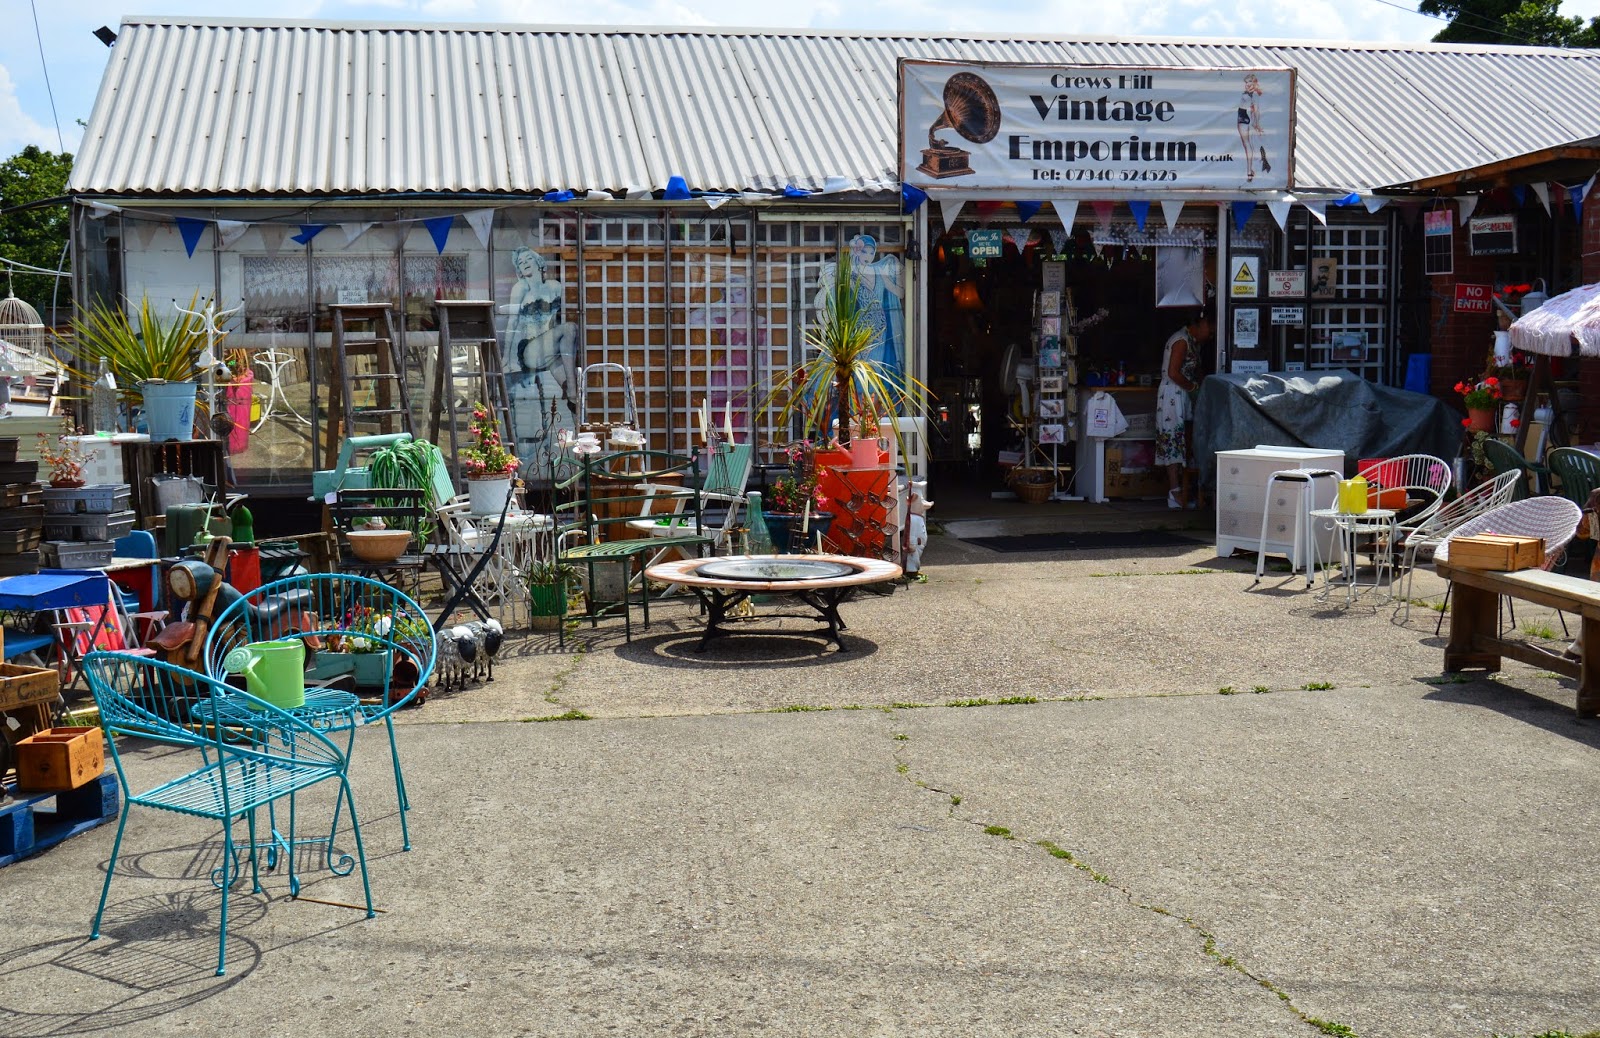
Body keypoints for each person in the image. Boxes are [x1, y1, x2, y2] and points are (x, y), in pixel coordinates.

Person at [501, 247, 579, 460]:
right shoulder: (521, 288)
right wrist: (505, 358)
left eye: (528, 259)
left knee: (578, 404)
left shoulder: (555, 287)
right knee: (570, 328)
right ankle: (572, 389)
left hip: (552, 351)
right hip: (530, 349)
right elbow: (512, 323)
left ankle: (581, 444)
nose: (524, 263)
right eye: (520, 262)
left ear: (538, 262)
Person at [1156, 312, 1211, 510]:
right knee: (1173, 439)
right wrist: (1192, 387)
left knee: (1186, 440)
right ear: (1198, 324)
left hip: (1184, 395)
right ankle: (1175, 491)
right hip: (1173, 395)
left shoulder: (1193, 342)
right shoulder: (1181, 340)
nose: (1211, 331)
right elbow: (1173, 372)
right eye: (1209, 326)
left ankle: (1187, 489)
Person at [1237, 74, 1269, 182]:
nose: (1247, 84)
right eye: (1246, 82)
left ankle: (1249, 171)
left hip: (1244, 118)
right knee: (1248, 146)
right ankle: (1250, 171)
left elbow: (1256, 110)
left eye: (1249, 81)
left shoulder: (1254, 94)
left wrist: (1256, 123)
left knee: (1248, 146)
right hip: (1243, 118)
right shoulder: (1249, 94)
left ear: (1254, 82)